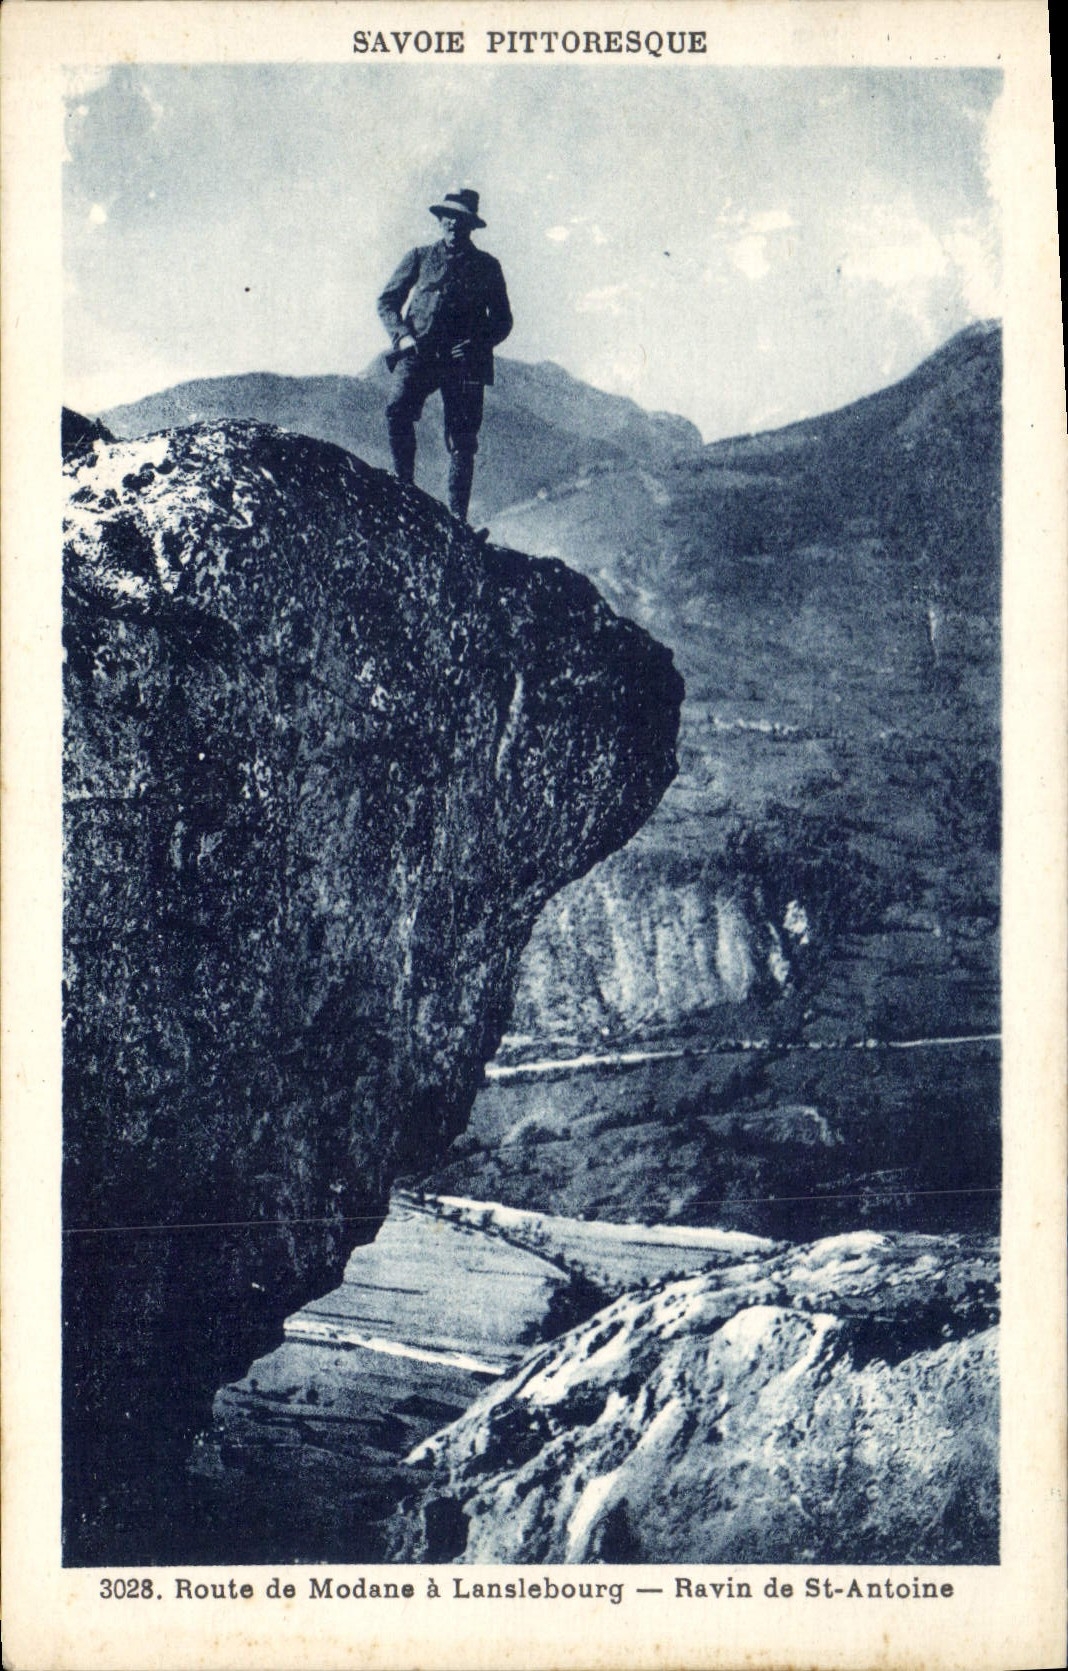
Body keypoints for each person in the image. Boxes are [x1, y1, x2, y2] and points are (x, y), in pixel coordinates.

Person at [377, 188, 513, 523]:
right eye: (448, 217)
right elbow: (387, 301)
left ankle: (457, 521)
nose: (453, 224)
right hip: (420, 352)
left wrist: (478, 343)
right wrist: (403, 337)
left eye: (461, 219)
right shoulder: (419, 257)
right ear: (439, 220)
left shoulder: (487, 267)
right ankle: (403, 490)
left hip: (464, 360)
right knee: (397, 409)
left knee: (463, 438)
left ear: (471, 225)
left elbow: (503, 320)